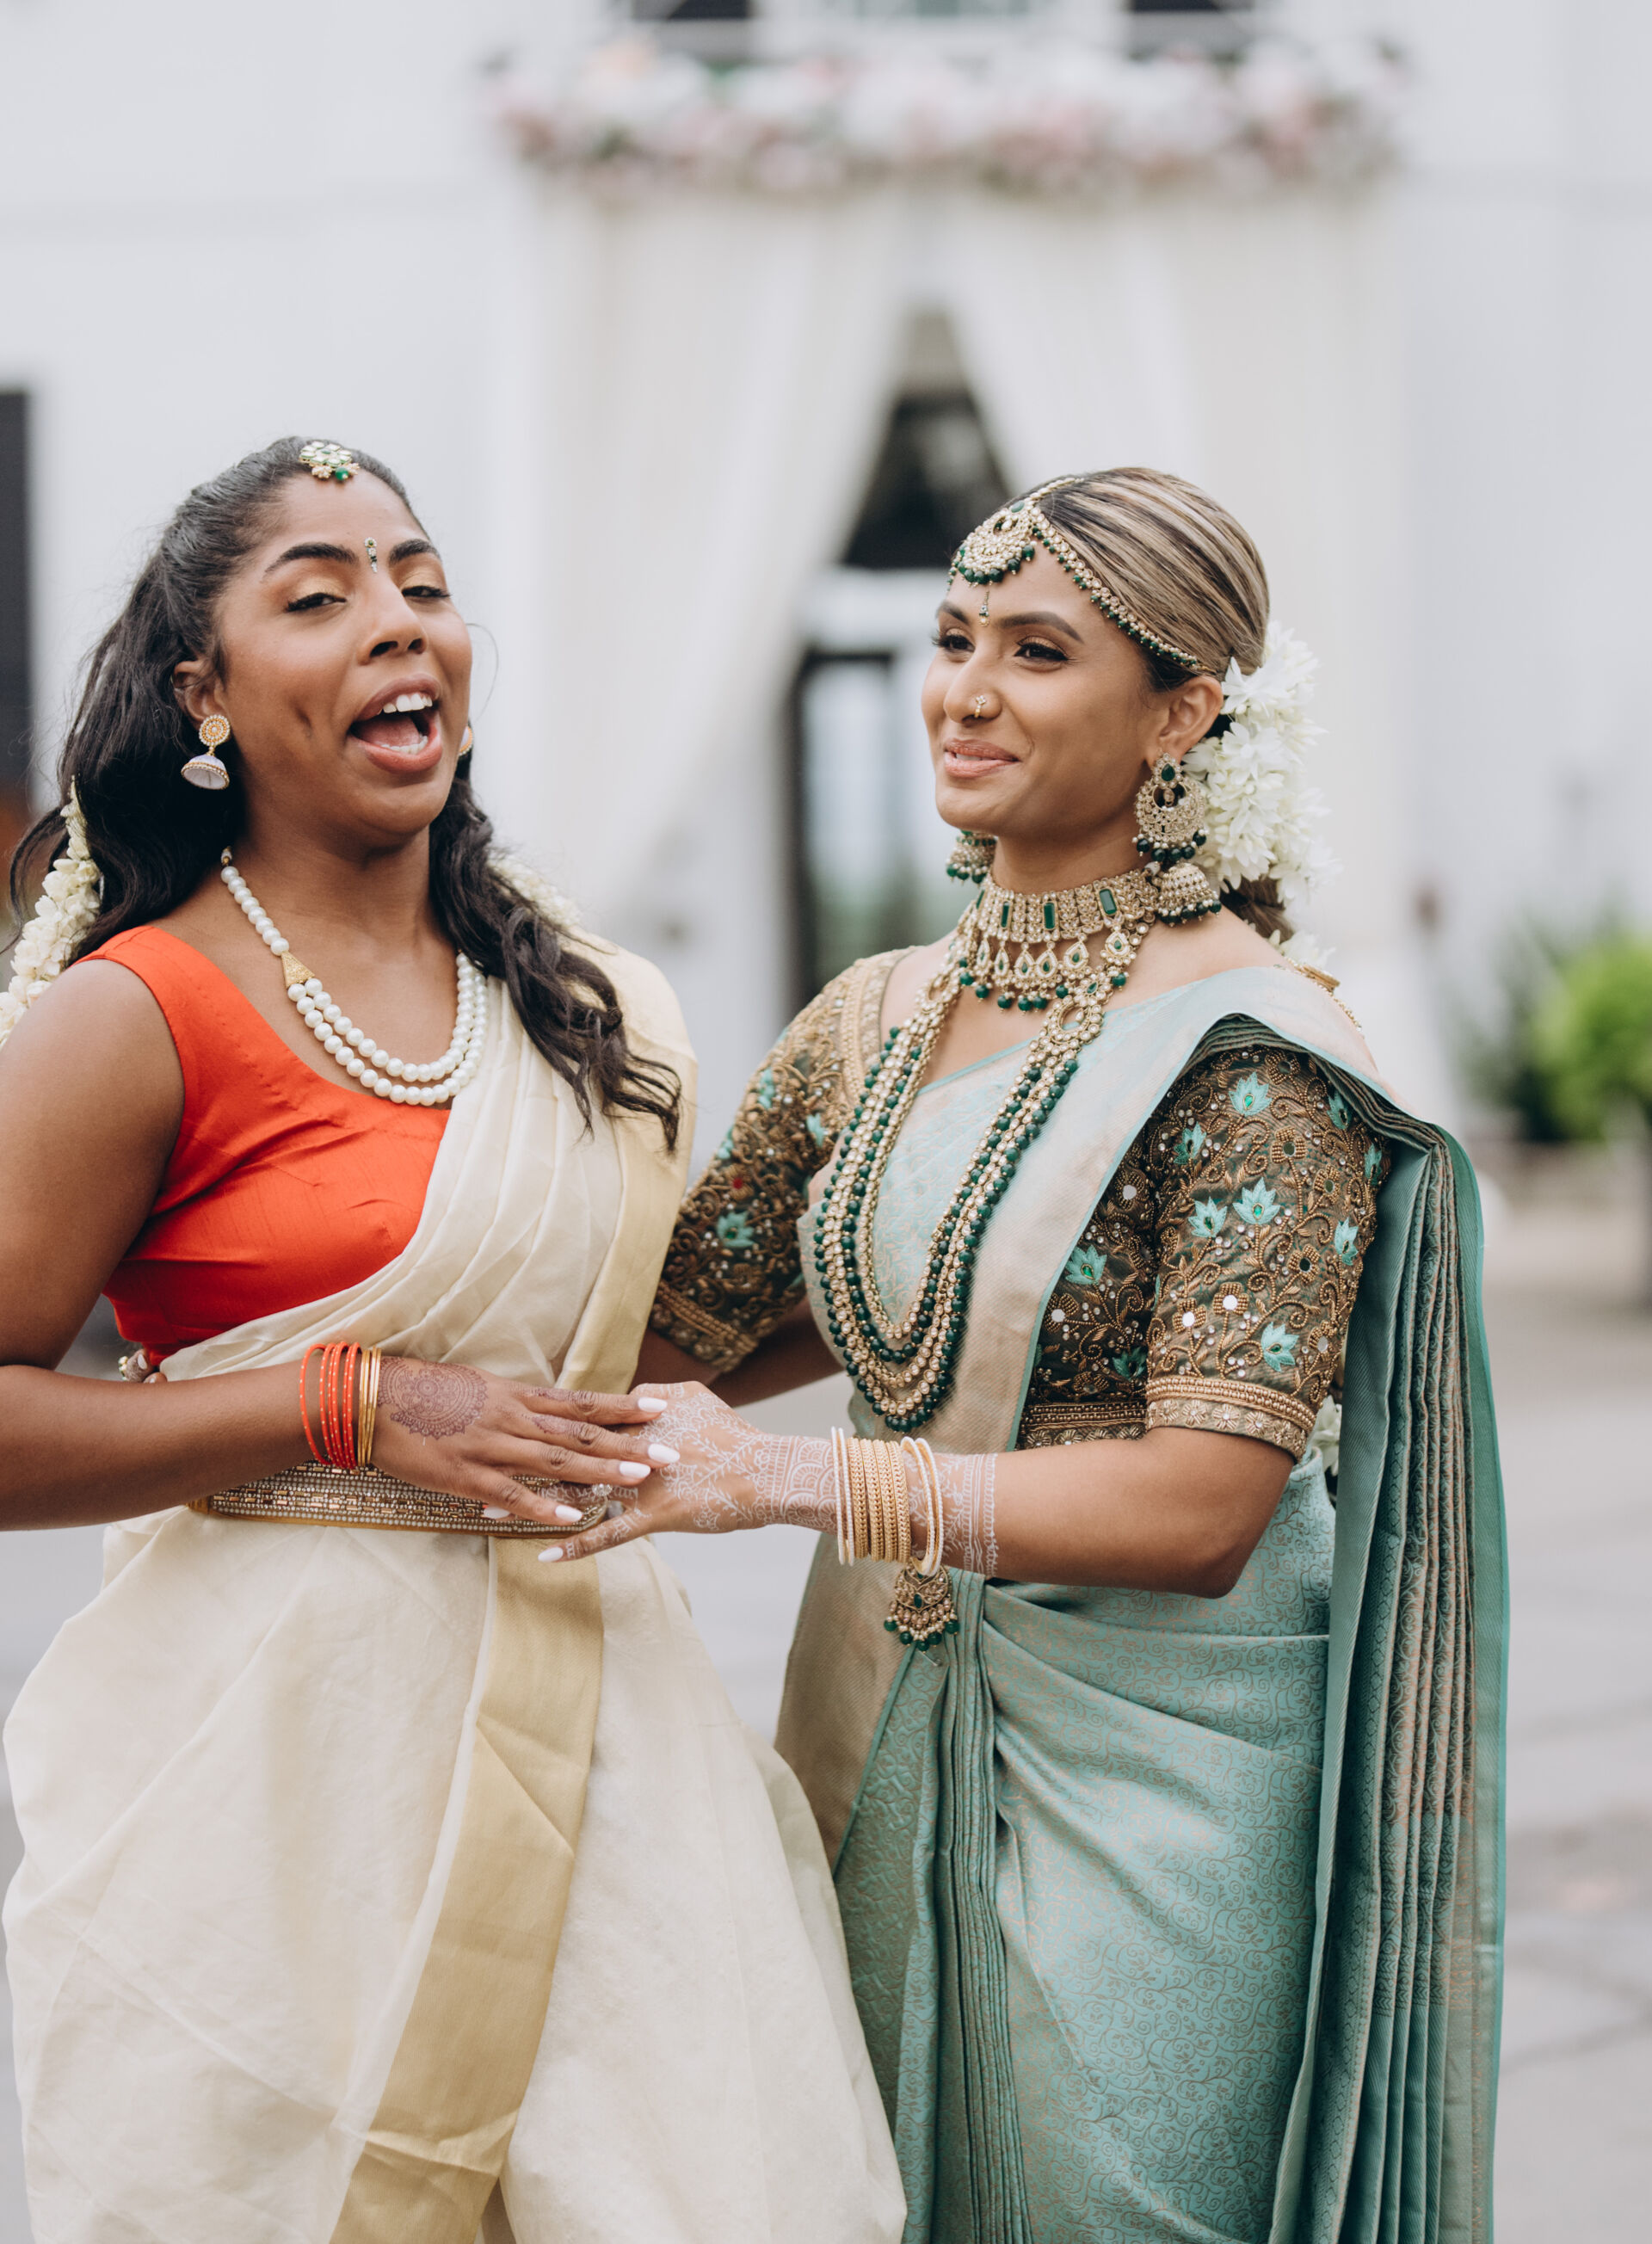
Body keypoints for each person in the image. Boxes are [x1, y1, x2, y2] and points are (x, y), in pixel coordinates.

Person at [555, 471, 1503, 2244]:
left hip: (1171, 1764)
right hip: (880, 1714)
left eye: (1039, 652)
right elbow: (666, 1336)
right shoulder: (869, 1023)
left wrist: (782, 1480)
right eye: (953, 638)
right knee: (861, 2188)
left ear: (1181, 714)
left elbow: (1206, 1506)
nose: (966, 693)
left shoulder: (1254, 1056)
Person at [0, 439, 903, 2244]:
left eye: (420, 582)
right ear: (206, 693)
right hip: (280, 1783)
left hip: (613, 1750)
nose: (398, 623)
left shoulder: (580, 1004)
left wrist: (959, 1262)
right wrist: (344, 1402)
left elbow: (614, 1359)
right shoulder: (134, 1012)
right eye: (319, 596)